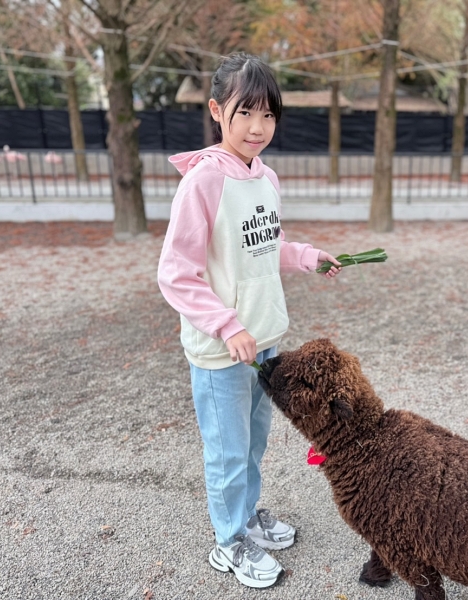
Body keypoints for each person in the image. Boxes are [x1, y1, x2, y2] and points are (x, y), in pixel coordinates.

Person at [157, 52, 341, 589]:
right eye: (245, 114)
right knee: (228, 449)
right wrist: (226, 325)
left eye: (268, 115)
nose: (258, 128)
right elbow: (176, 273)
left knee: (254, 443)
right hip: (222, 349)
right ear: (217, 111)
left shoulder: (266, 178)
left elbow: (264, 246)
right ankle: (228, 541)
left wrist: (308, 257)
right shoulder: (203, 182)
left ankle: (245, 518)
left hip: (263, 341)